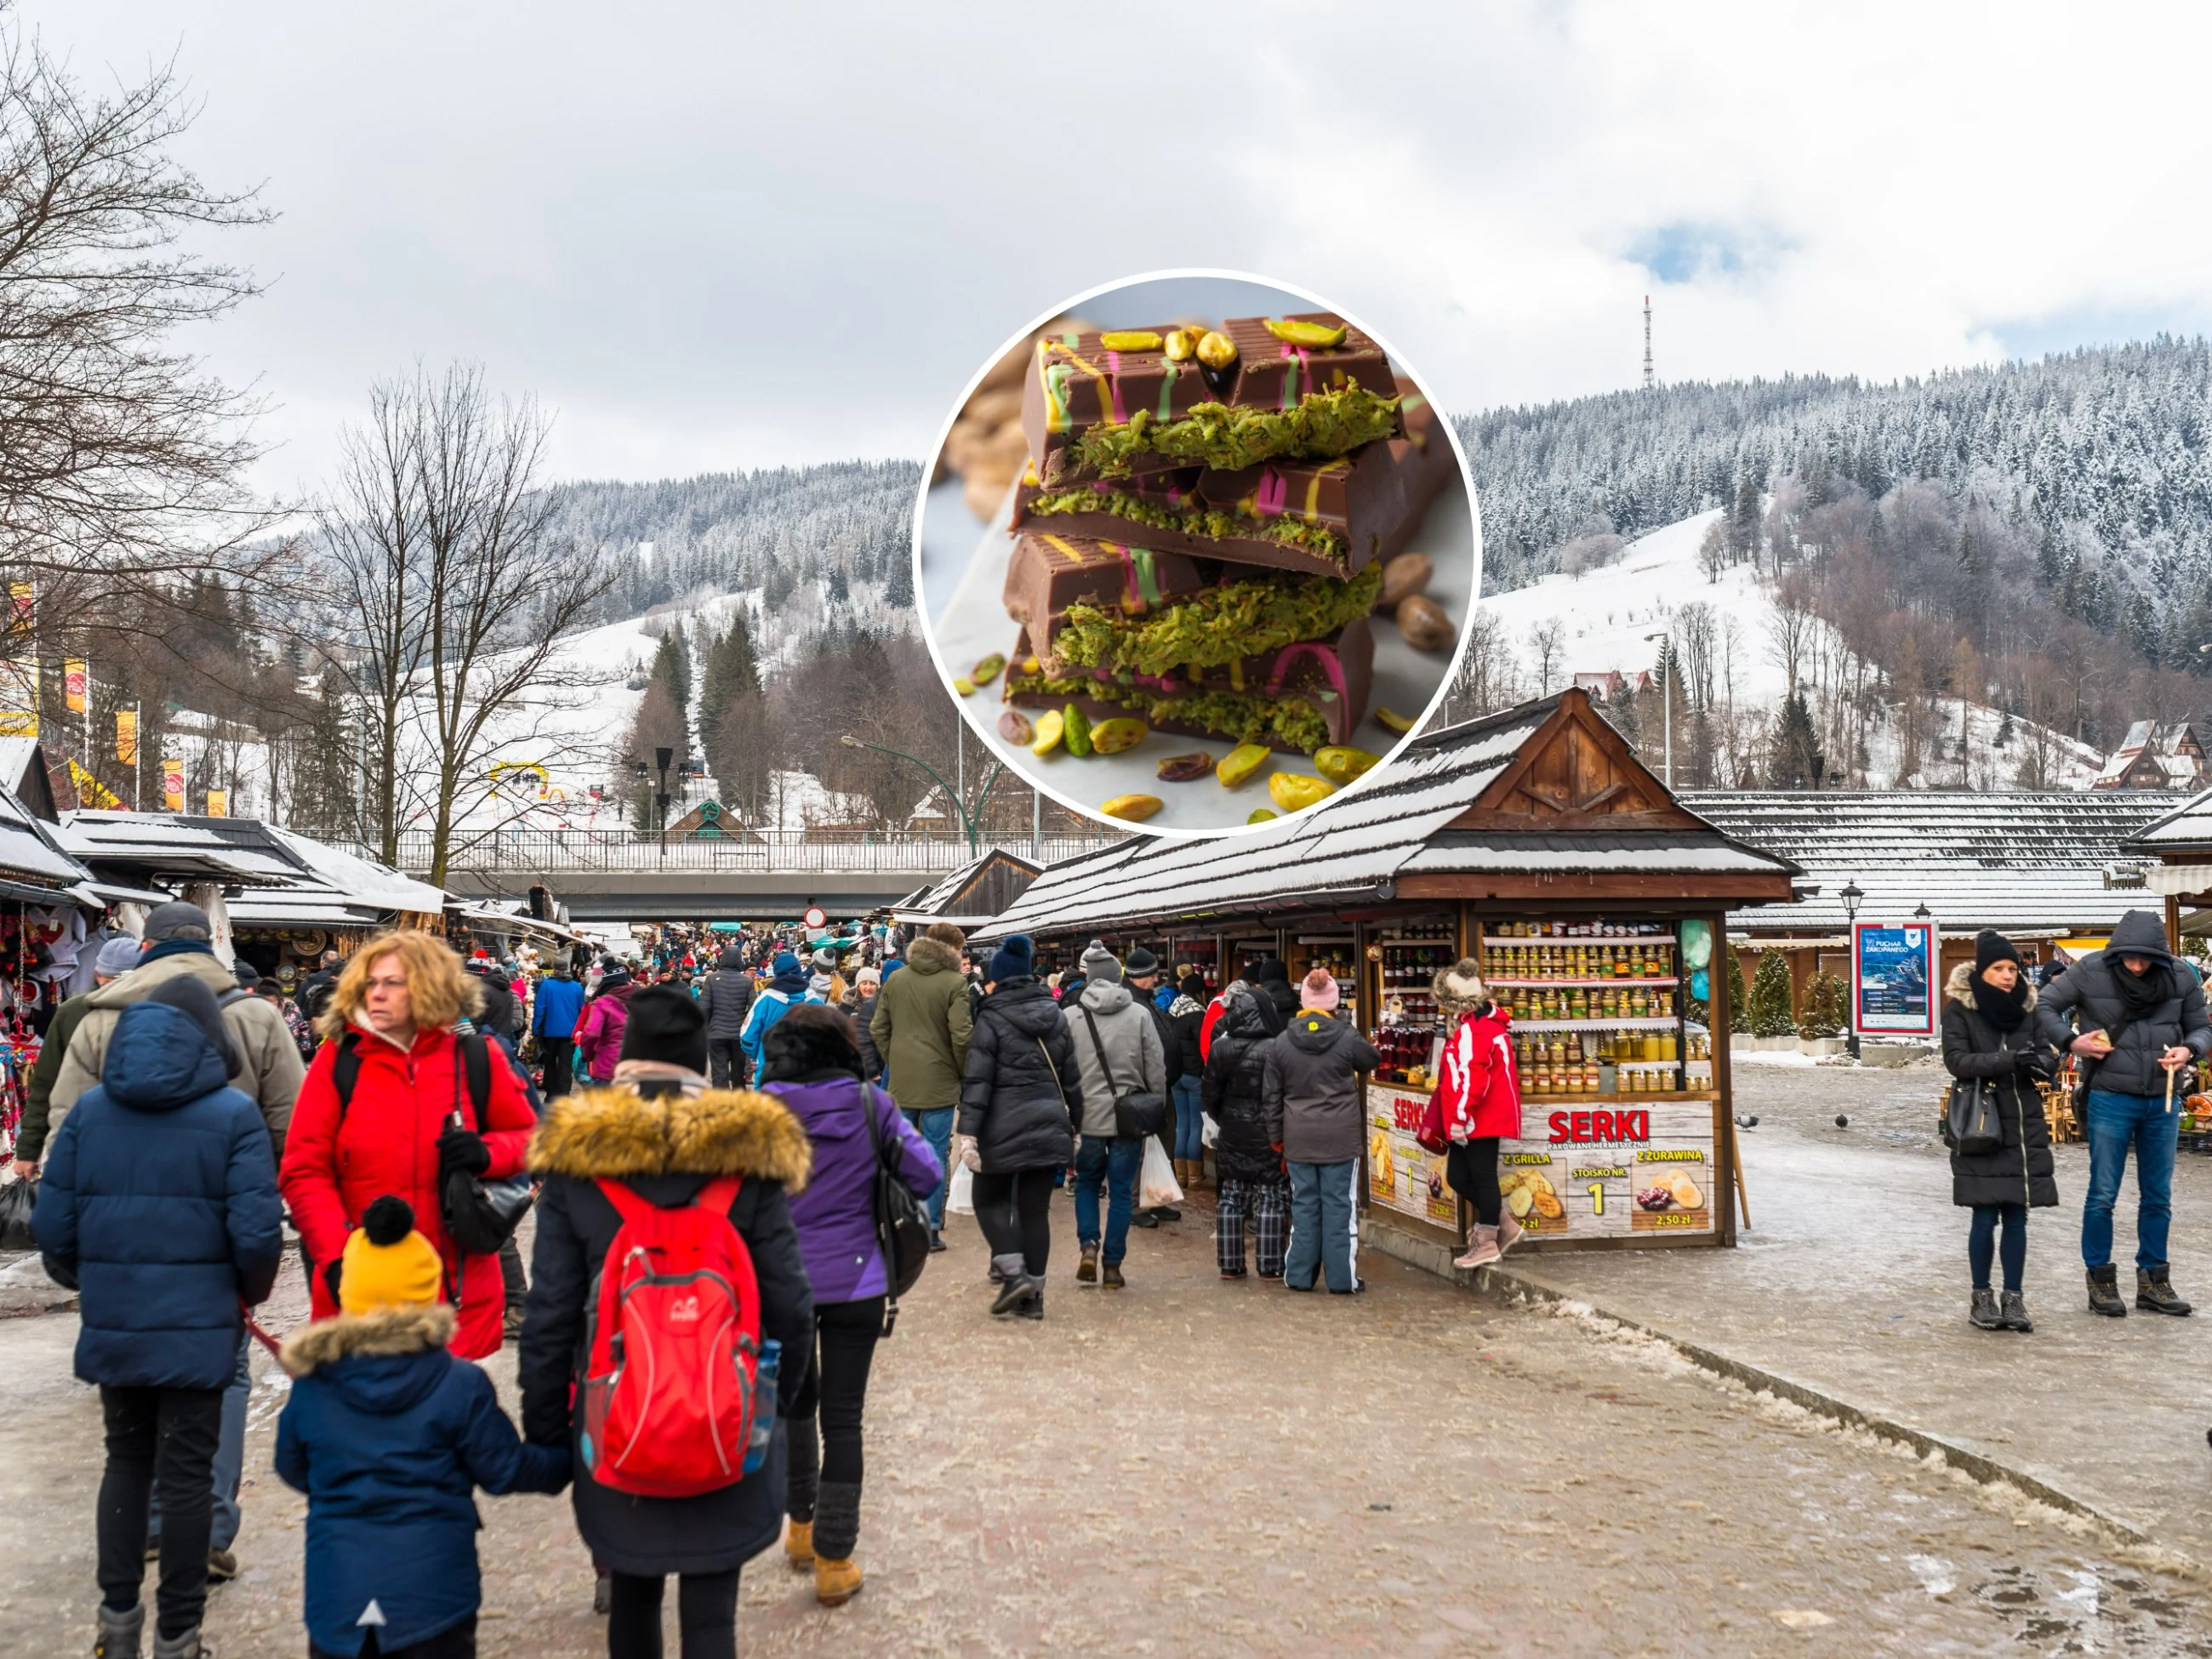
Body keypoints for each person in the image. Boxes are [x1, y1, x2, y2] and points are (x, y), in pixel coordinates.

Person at [518, 988, 814, 1659]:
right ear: (699, 1068)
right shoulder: (749, 1159)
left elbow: (551, 1312)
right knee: (713, 1613)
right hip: (726, 1418)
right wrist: (773, 1406)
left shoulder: (577, 1164)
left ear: (624, 1062)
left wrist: (548, 1429)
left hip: (617, 1416)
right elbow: (789, 1302)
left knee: (632, 1597)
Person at [49, 903, 304, 1587]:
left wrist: (77, 1254)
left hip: (114, 1254)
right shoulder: (256, 1017)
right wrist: (260, 1219)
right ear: (213, 944)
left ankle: (128, 1588)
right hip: (220, 1252)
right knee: (222, 1380)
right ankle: (208, 1529)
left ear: (146, 946)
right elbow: (290, 1123)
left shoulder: (98, 1015)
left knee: (126, 1429)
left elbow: (66, 1133)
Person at [276, 1194, 569, 1659]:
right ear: (430, 1291)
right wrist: (566, 1458)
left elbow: (291, 1467)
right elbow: (504, 1469)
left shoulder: (315, 1386)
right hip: (434, 1600)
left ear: (349, 1290)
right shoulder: (459, 1384)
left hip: (338, 1600)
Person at [280, 931, 539, 1362]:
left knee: (446, 1418)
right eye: (369, 983)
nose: (376, 994)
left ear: (429, 987)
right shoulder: (339, 1061)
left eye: (392, 983)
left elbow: (529, 1143)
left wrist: (486, 1153)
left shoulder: (476, 1057)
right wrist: (339, 1257)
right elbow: (303, 1170)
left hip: (455, 1287)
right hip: (362, 1286)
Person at [757, 1006, 940, 1606]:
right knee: (843, 1417)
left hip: (781, 1283)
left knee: (794, 1405)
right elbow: (927, 1173)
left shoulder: (759, 1115)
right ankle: (836, 1561)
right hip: (858, 1281)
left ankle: (800, 1530)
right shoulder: (873, 1105)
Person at [2034, 908, 2208, 1316]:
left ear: (2160, 956)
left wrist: (2191, 1049)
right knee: (2102, 1195)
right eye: (2129, 956)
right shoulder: (2090, 970)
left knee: (2159, 1197)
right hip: (2111, 1096)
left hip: (2163, 1100)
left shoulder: (2181, 975)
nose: (2136, 964)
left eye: (2144, 957)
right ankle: (2100, 1281)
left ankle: (2154, 1282)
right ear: (2117, 951)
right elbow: (2044, 1006)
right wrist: (2071, 1041)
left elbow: (2201, 1026)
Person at [956, 935, 1082, 1318]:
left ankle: (1014, 1274)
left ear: (999, 980)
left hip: (1002, 1125)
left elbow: (978, 1083)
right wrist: (1077, 1125)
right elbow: (1072, 1079)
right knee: (1034, 1211)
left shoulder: (991, 1018)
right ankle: (1035, 1299)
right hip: (1048, 1124)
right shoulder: (1055, 1014)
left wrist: (969, 1135)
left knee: (987, 1199)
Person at [1941, 932, 2060, 1332]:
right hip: (1981, 1119)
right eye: (1999, 969)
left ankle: (2014, 1299)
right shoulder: (1960, 1009)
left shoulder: (2029, 1008)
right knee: (1984, 1213)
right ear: (1982, 971)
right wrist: (2009, 1059)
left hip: (2023, 1121)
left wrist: (2042, 1063)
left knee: (2017, 1216)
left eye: (2013, 968)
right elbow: (1957, 1061)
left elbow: (2046, 1053)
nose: (2009, 976)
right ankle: (1981, 1298)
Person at [1266, 967, 1380, 1295]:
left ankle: (1299, 1276)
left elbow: (1271, 1097)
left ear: (1304, 1000)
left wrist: (1277, 1139)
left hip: (1298, 1139)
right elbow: (1371, 1059)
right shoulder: (1345, 1036)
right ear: (1333, 1002)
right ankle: (1342, 1279)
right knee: (1339, 1208)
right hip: (1340, 1140)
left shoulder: (1282, 1043)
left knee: (1304, 1207)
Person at [1063, 943, 1166, 1290]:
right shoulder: (1139, 1015)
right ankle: (1112, 1265)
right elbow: (1156, 1067)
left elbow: (1063, 1070)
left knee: (1088, 1184)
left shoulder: (1071, 1017)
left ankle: (1088, 1245)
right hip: (1128, 1117)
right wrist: (1156, 1105)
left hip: (1086, 1118)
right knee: (1121, 1191)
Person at [869, 922, 972, 1249]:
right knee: (936, 1150)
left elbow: (878, 1028)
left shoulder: (897, 979)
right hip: (940, 1081)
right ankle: (930, 1227)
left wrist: (894, 1060)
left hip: (901, 1081)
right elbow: (962, 1035)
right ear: (949, 948)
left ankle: (899, 1220)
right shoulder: (956, 983)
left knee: (900, 1152)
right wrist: (958, 1070)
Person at [1417, 961, 1524, 1270]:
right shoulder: (1483, 1025)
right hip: (1479, 1116)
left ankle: (1488, 1242)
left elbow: (1471, 1079)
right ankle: (1505, 1225)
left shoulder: (1473, 1031)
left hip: (1478, 1119)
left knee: (1482, 1177)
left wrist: (1460, 1118)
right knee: (1459, 1177)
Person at [10, 933, 142, 1177]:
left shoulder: (160, 1011)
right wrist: (29, 1149)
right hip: (80, 1143)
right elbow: (45, 1084)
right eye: (108, 978)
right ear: (98, 974)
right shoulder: (73, 1012)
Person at [1202, 978, 1291, 1280]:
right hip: (1270, 1131)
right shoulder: (1279, 1047)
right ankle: (1270, 1265)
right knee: (1271, 1196)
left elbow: (1209, 1094)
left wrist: (1225, 1117)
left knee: (1231, 1196)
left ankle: (1230, 1264)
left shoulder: (1221, 1047)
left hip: (1234, 1130)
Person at [1121, 947, 1183, 1229]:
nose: (1156, 979)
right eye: (1152, 975)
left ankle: (1158, 1198)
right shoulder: (1131, 1005)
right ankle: (1135, 1205)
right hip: (1143, 1091)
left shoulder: (1147, 1000)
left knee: (1163, 1145)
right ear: (1140, 977)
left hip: (1162, 1087)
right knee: (1141, 1150)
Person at [1165, 973, 1210, 1191]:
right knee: (1195, 1124)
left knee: (1181, 1123)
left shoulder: (1172, 1011)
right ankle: (1194, 1177)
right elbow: (1204, 1046)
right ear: (1199, 992)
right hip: (1194, 1076)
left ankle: (1180, 1175)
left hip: (1176, 1077)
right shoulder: (1199, 1014)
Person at [739, 951, 816, 1079]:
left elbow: (747, 1037)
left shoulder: (765, 1001)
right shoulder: (814, 1001)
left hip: (770, 1072)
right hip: (807, 1074)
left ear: (776, 973)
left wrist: (760, 1055)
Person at [699, 947, 755, 1089]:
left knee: (719, 1074)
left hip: (716, 1034)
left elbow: (704, 1007)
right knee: (738, 1074)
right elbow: (754, 1007)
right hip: (739, 1035)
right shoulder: (747, 981)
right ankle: (739, 1105)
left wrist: (704, 1031)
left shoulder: (711, 979)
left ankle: (721, 1105)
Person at [573, 960, 636, 1086]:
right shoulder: (642, 998)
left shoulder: (601, 1003)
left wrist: (587, 1055)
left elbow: (591, 1033)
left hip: (609, 1066)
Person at [533, 961, 585, 1098]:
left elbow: (540, 1009)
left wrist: (536, 1029)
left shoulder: (547, 986)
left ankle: (551, 1095)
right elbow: (582, 1011)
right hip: (570, 1034)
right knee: (565, 1066)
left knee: (549, 1063)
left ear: (555, 970)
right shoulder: (577, 987)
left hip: (549, 1033)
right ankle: (564, 1095)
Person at [253, 973, 317, 1063]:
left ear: (279, 999)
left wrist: (303, 1052)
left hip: (293, 1057)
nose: (268, 1005)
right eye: (264, 1001)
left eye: (272, 1002)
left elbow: (303, 1029)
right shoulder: (255, 1011)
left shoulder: (291, 1007)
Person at [850, 966, 883, 1081]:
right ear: (858, 985)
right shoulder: (847, 1006)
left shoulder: (883, 1007)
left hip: (875, 1066)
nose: (868, 987)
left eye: (872, 983)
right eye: (864, 983)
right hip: (850, 1066)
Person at [299, 949, 345, 1027]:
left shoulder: (307, 982)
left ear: (321, 964)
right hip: (337, 1027)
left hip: (313, 1028)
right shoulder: (344, 983)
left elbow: (298, 1007)